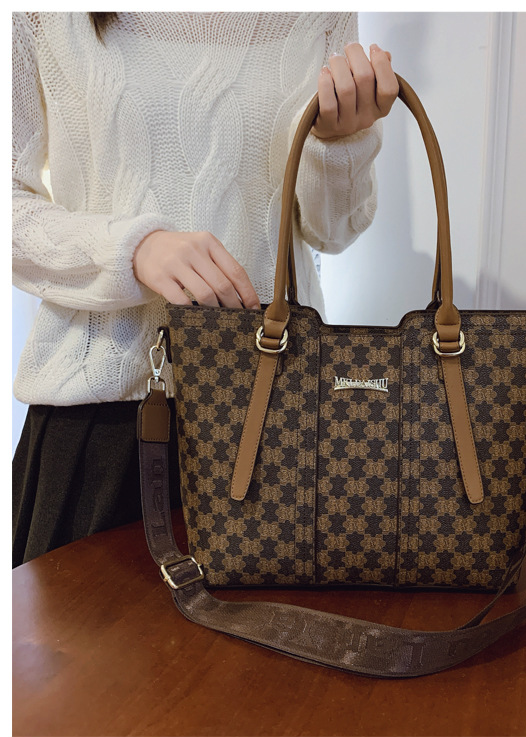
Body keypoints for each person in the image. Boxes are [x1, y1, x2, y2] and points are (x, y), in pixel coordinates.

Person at [12, 11, 398, 566]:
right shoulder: (44, 15)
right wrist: (129, 249)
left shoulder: (321, 13)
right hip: (102, 425)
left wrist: (340, 143)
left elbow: (332, 231)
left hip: (277, 412)